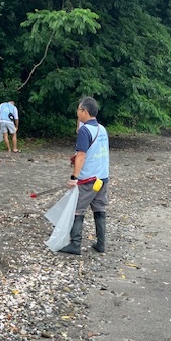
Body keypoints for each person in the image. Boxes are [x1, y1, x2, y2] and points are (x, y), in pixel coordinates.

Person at [60, 97, 109, 255]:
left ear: (85, 112)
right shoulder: (102, 129)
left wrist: (74, 178)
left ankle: (75, 245)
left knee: (77, 209)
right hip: (102, 177)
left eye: (79, 109)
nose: (77, 112)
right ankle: (101, 244)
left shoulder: (85, 130)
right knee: (99, 208)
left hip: (88, 179)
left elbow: (81, 155)